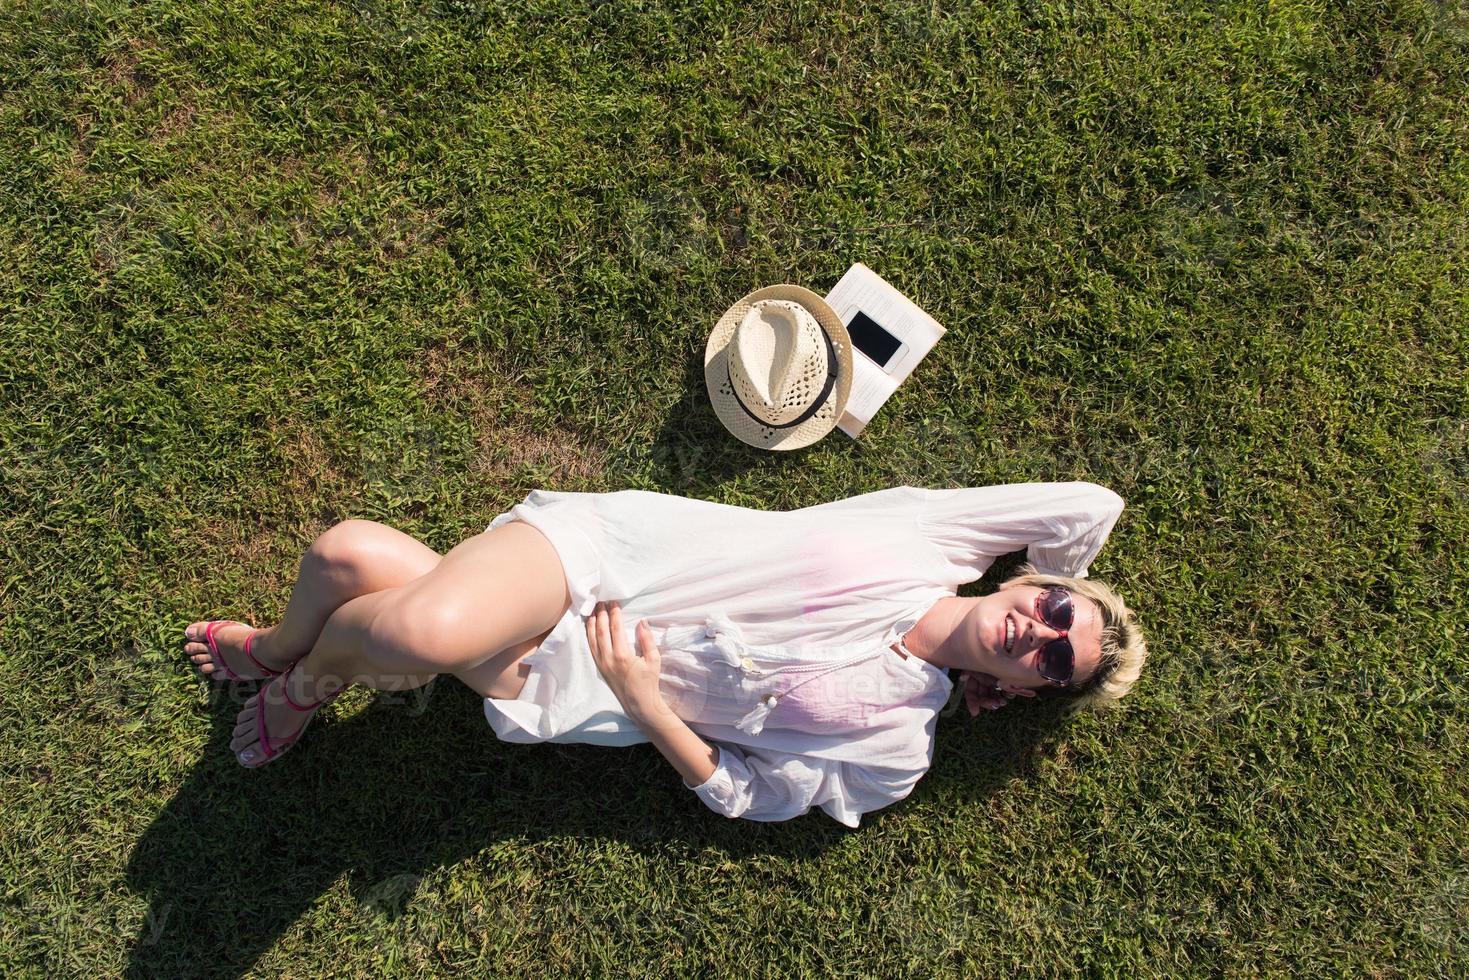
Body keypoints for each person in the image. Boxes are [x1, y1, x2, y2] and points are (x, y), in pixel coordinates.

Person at [183, 481, 1147, 827]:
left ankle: (280, 652)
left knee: (347, 552)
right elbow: (1090, 505)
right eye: (1057, 610)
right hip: (608, 559)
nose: (1044, 631)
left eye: (1054, 661)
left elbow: (763, 796)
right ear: (1030, 585)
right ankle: (296, 679)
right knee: (409, 633)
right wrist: (1046, 578)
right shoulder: (940, 539)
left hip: (576, 679)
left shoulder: (897, 745)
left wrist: (650, 710)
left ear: (1025, 691)